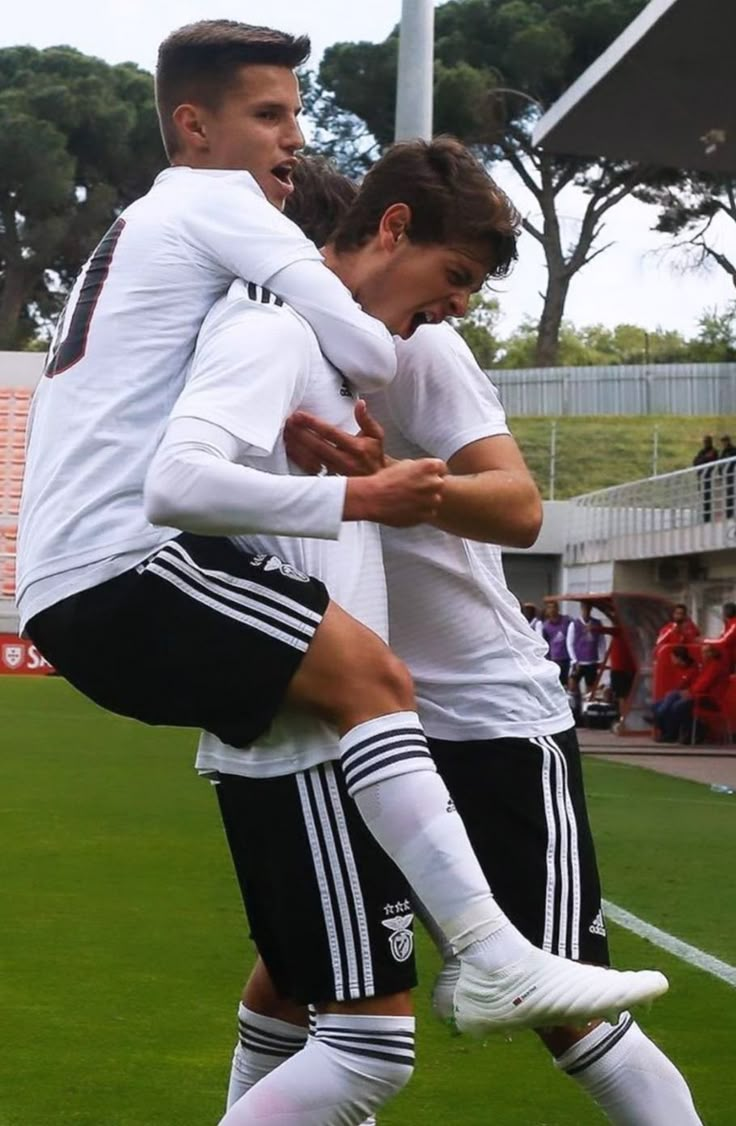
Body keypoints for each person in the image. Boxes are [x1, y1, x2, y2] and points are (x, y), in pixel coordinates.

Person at [219, 156, 692, 1126]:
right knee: (309, 978)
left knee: (567, 1010)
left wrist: (398, 481)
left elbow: (519, 506)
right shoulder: (262, 341)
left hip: (483, 718)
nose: (462, 305)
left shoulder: (416, 349)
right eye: (462, 278)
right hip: (353, 722)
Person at [661, 644, 731, 745]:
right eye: (702, 652)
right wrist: (690, 692)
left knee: (678, 705)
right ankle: (688, 732)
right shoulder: (709, 666)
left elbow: (703, 684)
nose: (703, 655)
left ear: (711, 654)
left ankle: (695, 730)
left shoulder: (714, 667)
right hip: (702, 697)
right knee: (676, 700)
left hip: (709, 699)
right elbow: (699, 684)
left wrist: (690, 692)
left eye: (705, 652)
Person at [652, 646, 700, 742]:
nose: (671, 660)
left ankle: (662, 720)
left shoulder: (693, 669)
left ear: (679, 658)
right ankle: (665, 730)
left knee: (673, 702)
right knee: (656, 705)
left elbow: (691, 686)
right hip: (680, 695)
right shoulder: (679, 669)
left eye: (673, 657)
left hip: (691, 697)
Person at [566, 602, 604, 696]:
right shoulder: (574, 624)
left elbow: (601, 642)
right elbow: (569, 643)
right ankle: (575, 705)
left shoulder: (597, 623)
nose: (586, 610)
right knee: (572, 684)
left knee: (590, 688)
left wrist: (602, 658)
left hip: (592, 661)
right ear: (581, 608)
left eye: (588, 608)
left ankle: (587, 706)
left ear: (591, 609)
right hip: (579, 661)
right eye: (584, 608)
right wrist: (574, 660)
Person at [540, 599, 574, 685]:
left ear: (558, 608)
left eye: (553, 607)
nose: (551, 610)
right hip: (555, 659)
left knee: (568, 682)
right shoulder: (545, 626)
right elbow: (545, 642)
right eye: (549, 608)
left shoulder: (567, 621)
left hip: (567, 658)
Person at [692, 435, 719, 523]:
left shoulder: (714, 451)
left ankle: (707, 518)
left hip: (709, 477)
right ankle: (703, 516)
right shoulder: (702, 451)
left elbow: (711, 461)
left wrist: (702, 460)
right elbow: (695, 462)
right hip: (701, 476)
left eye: (707, 441)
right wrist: (704, 458)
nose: (705, 443)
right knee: (702, 497)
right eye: (705, 441)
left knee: (708, 497)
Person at [719, 435, 736, 519]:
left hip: (732, 475)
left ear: (728, 441)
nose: (723, 444)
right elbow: (720, 463)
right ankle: (729, 514)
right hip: (727, 476)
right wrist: (721, 473)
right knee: (729, 494)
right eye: (722, 442)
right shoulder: (724, 451)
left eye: (724, 442)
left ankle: (730, 514)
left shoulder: (733, 450)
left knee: (731, 493)